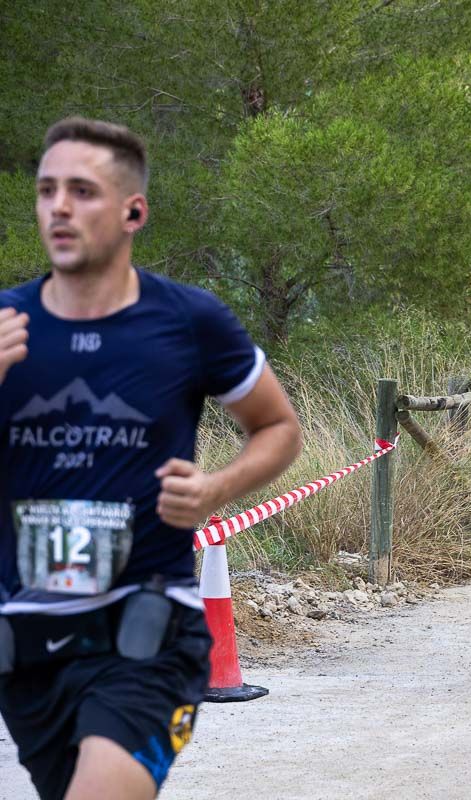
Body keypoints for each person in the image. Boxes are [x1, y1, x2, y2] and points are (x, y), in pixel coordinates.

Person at [0, 118, 302, 800]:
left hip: (148, 632)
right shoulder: (6, 326)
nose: (60, 208)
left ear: (134, 210)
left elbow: (279, 427)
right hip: (27, 642)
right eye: (47, 190)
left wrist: (216, 488)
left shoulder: (190, 322)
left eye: (83, 190)